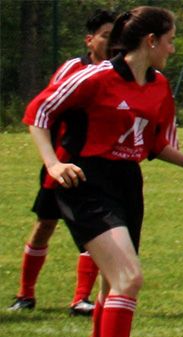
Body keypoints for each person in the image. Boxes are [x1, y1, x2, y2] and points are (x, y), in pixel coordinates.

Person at [23, 6, 183, 337]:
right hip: (85, 181)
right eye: (170, 40)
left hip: (127, 184)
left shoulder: (160, 86)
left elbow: (154, 143)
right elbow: (38, 113)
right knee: (129, 277)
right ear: (151, 41)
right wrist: (53, 164)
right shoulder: (96, 77)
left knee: (114, 285)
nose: (172, 48)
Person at [12, 9, 117, 315]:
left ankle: (81, 299)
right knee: (45, 223)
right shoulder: (72, 69)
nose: (112, 44)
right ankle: (25, 295)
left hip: (97, 166)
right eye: (106, 36)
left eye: (116, 38)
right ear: (90, 40)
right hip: (61, 160)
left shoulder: (120, 72)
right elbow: (45, 109)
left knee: (93, 232)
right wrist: (52, 159)